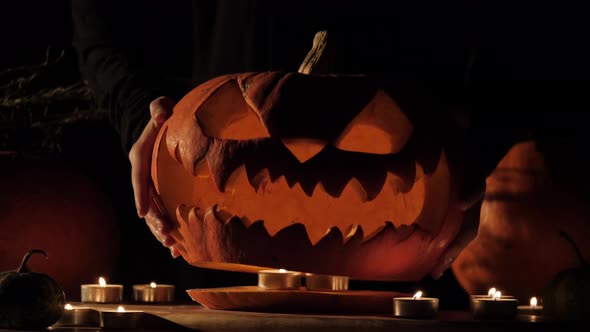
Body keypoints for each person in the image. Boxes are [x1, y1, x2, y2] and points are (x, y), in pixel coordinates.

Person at [71, 0, 585, 284]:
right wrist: (142, 114)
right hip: (210, 256)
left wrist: (482, 138)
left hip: (419, 162)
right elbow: (100, 21)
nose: (304, 153)